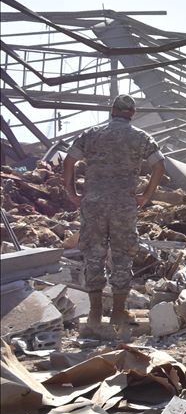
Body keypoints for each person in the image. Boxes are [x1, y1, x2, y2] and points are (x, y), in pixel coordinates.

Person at [63, 94, 165, 338]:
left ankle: (95, 314)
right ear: (132, 113)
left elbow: (69, 159)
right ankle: (118, 312)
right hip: (124, 205)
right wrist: (146, 195)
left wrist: (71, 190)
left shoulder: (92, 134)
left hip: (94, 203)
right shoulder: (141, 137)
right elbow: (159, 165)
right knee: (122, 255)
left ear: (112, 110)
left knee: (94, 255)